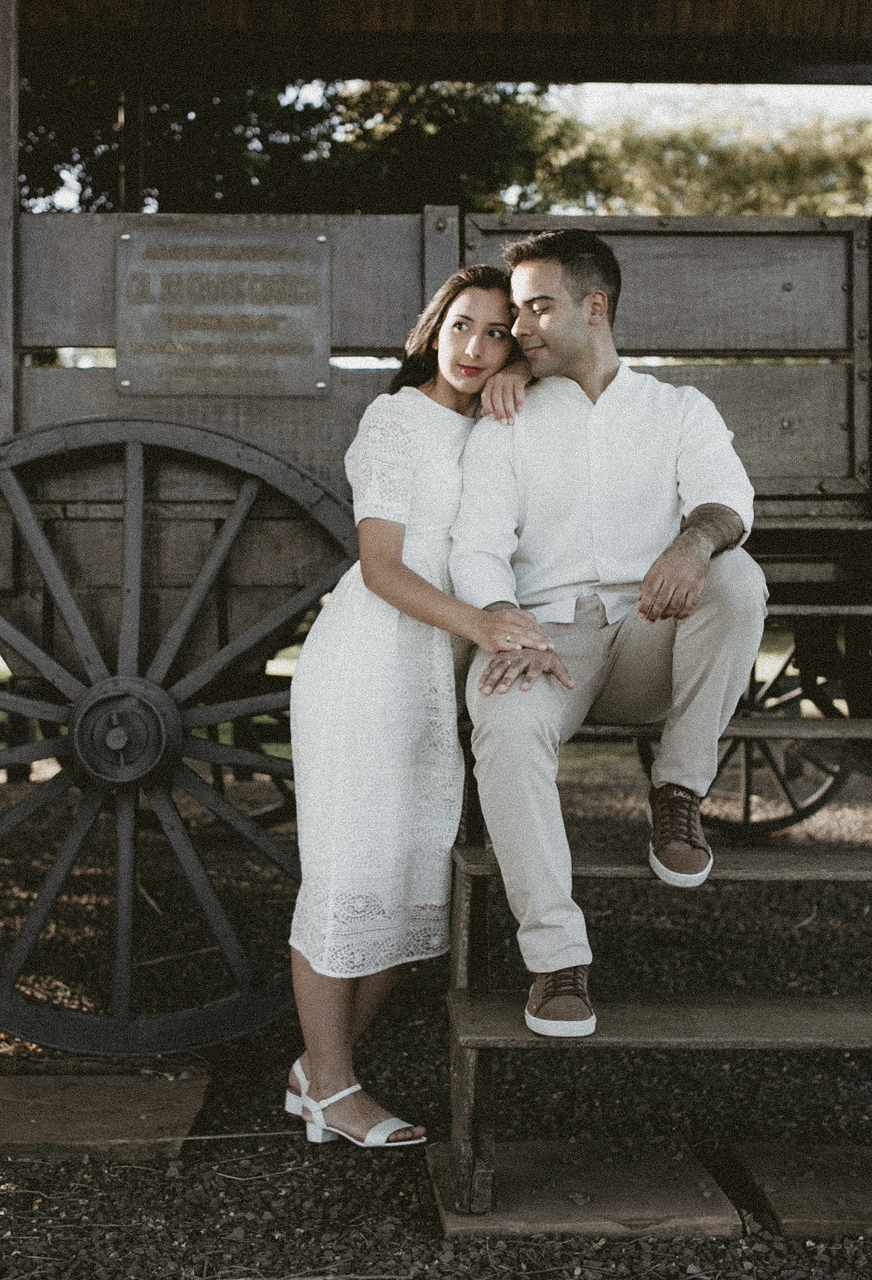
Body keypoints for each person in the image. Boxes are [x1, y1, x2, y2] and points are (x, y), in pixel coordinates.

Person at [450, 228, 769, 1039]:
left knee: (737, 575)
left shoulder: (677, 410)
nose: (519, 327)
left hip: (648, 638)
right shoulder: (508, 417)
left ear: (594, 308)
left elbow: (728, 499)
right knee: (504, 724)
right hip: (544, 638)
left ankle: (678, 792)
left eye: (538, 308)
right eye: (517, 311)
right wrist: (504, 620)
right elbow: (476, 544)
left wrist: (691, 546)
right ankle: (557, 959)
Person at [285, 265, 551, 1146]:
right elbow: (381, 568)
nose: (475, 348)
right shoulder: (394, 421)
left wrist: (524, 374)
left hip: (430, 682)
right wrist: (483, 624)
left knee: (410, 893)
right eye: (462, 326)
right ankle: (334, 1089)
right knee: (347, 877)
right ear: (433, 330)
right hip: (364, 668)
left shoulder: (498, 421)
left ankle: (317, 1072)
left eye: (498, 334)